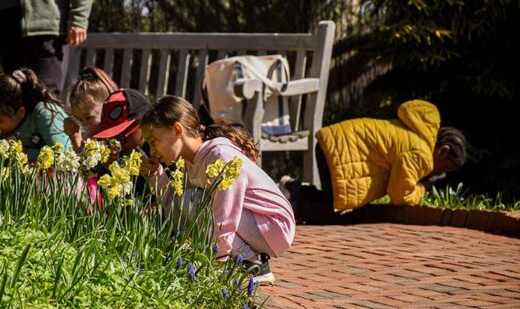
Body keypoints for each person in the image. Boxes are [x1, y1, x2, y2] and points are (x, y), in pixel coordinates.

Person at [139, 95, 295, 285]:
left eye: (154, 141)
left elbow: (226, 213)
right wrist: (157, 175)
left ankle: (251, 265)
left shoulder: (220, 155)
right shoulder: (189, 162)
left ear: (177, 129)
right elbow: (173, 203)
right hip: (255, 224)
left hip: (273, 225)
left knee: (194, 199)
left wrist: (217, 258)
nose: (152, 150)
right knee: (185, 200)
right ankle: (234, 258)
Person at [315, 99, 467, 214]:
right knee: (326, 213)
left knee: (327, 205)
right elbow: (399, 197)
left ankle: (293, 194)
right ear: (443, 151)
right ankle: (292, 195)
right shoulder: (422, 155)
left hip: (331, 144)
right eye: (445, 167)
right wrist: (423, 187)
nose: (441, 172)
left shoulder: (413, 134)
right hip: (338, 153)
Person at [0, 68, 71, 159]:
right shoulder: (3, 125)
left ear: (20, 113)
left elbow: (62, 156)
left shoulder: (45, 114)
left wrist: (24, 152)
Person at [89, 88, 152, 195]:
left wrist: (152, 176)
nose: (117, 143)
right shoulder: (120, 155)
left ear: (142, 124)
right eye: (110, 137)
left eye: (121, 136)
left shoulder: (161, 154)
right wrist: (108, 169)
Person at [63, 67, 118, 151]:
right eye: (80, 120)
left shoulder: (122, 138)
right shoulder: (94, 137)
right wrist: (76, 142)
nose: (85, 127)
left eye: (88, 117)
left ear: (108, 105)